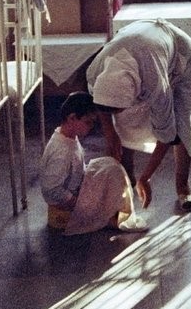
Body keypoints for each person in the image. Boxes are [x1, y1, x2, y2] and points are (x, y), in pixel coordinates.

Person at [86, 18, 191, 213]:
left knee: (183, 122)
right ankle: (127, 178)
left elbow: (167, 135)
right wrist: (110, 132)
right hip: (140, 40)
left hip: (182, 56)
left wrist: (146, 177)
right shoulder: (95, 72)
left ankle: (183, 186)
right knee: (123, 123)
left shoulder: (155, 84)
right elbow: (101, 105)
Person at [40, 91, 146, 234]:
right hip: (68, 201)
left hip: (77, 185)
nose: (91, 127)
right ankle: (108, 216)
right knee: (112, 173)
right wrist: (77, 202)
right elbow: (51, 189)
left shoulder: (68, 137)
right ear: (72, 118)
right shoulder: (61, 151)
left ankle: (114, 211)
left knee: (111, 166)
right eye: (88, 122)